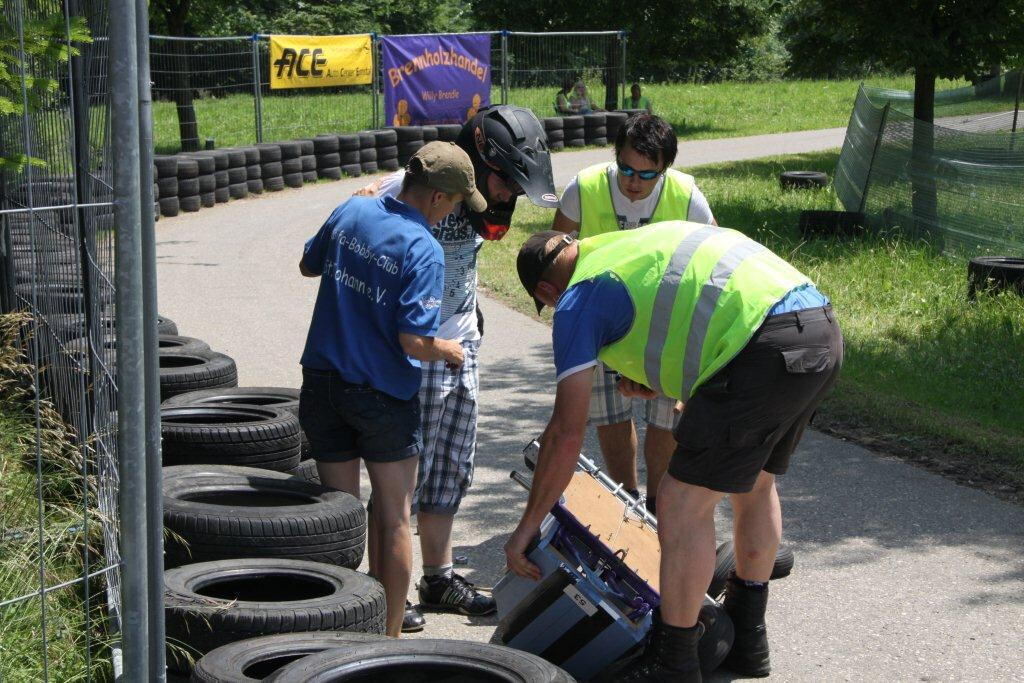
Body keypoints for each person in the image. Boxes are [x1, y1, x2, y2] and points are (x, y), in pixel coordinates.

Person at [505, 223, 842, 681]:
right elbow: (691, 309)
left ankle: (674, 663)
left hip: (758, 348)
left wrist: (528, 525)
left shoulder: (577, 298)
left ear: (546, 289)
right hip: (818, 329)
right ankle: (747, 640)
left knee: (681, 504)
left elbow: (566, 431)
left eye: (547, 306)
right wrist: (653, 379)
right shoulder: (620, 249)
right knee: (758, 483)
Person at [353, 105, 558, 632]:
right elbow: (356, 230)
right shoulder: (406, 189)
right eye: (507, 182)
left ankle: (438, 576)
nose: (510, 195)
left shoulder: (471, 204)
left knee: (449, 469)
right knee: (401, 475)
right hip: (409, 351)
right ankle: (388, 584)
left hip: (461, 345)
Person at [298, 141, 485, 637]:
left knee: (339, 518)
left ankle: (339, 628)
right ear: (440, 200)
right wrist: (448, 350)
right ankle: (388, 639)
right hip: (381, 396)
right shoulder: (423, 245)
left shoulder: (353, 207)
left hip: (322, 382)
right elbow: (414, 340)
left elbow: (307, 264)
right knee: (394, 517)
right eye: (458, 203)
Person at [551, 113, 716, 516]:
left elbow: (715, 253)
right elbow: (555, 253)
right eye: (626, 169)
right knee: (610, 414)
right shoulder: (585, 186)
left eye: (647, 174)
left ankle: (657, 507)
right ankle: (627, 498)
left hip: (668, 327)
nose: (634, 182)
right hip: (604, 324)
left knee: (663, 418)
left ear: (665, 169)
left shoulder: (686, 194)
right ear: (616, 158)